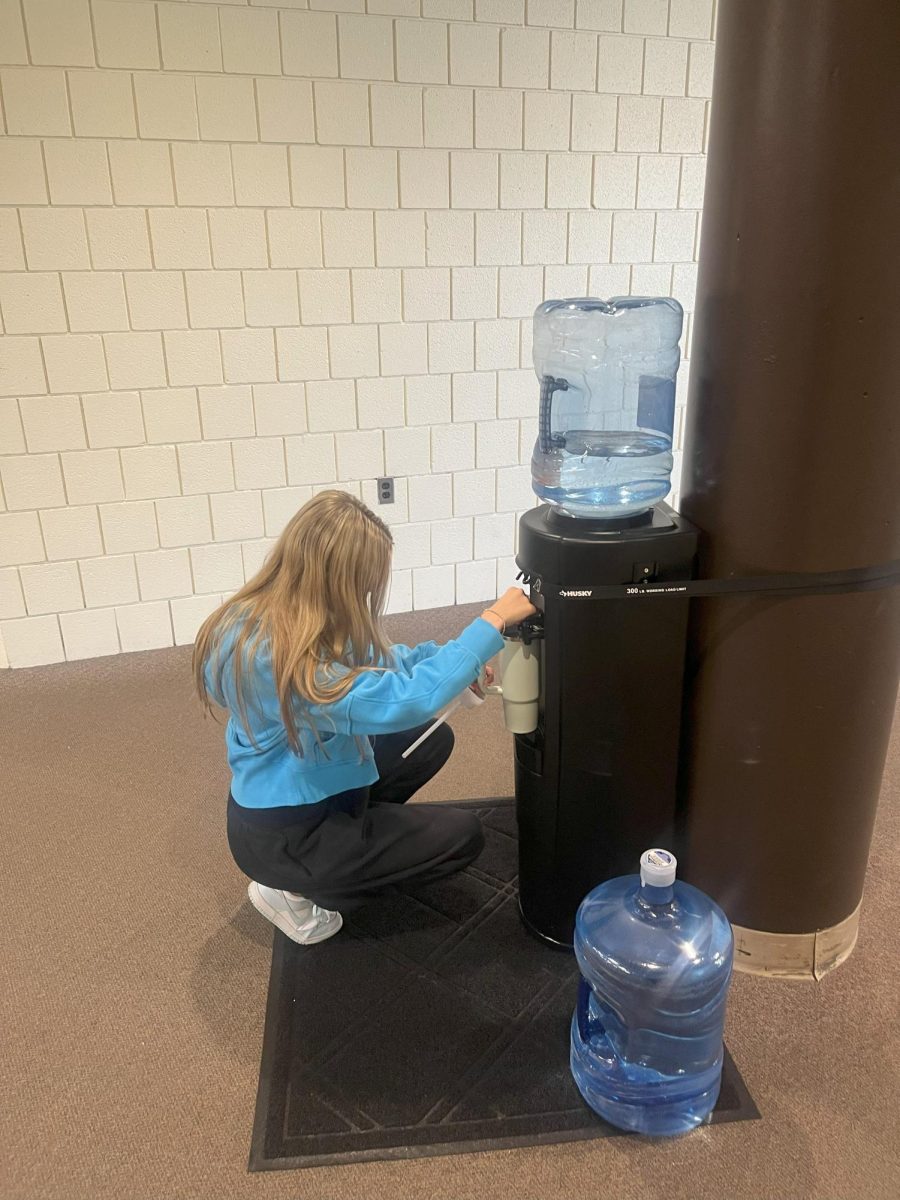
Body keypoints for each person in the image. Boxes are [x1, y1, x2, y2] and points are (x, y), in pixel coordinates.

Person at [193, 490, 537, 946]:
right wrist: (489, 622)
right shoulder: (276, 660)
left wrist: (455, 661)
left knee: (431, 739)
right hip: (286, 837)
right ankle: (294, 889)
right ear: (338, 580)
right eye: (365, 583)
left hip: (303, 785)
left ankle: (352, 838)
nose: (369, 593)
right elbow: (406, 700)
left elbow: (381, 661)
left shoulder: (281, 614)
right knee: (462, 837)